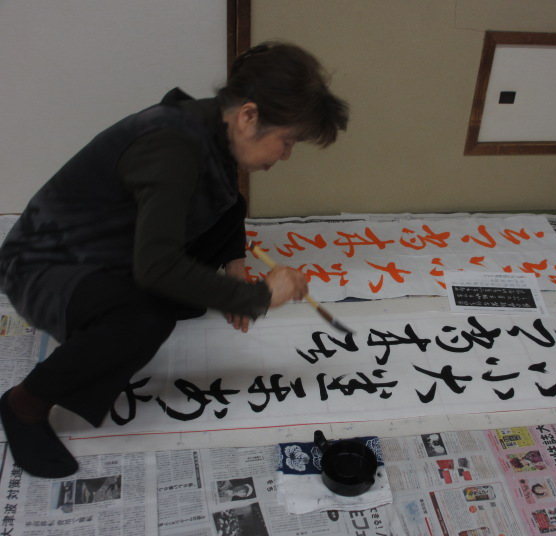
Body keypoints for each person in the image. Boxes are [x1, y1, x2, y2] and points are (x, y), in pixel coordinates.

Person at [0, 41, 349, 478]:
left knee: (217, 228)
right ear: (248, 116)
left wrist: (234, 263)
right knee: (145, 320)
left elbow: (225, 203)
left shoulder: (212, 125)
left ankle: (151, 300)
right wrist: (258, 297)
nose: (285, 155)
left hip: (114, 244)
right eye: (287, 141)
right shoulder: (172, 146)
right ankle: (24, 405)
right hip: (46, 264)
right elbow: (157, 267)